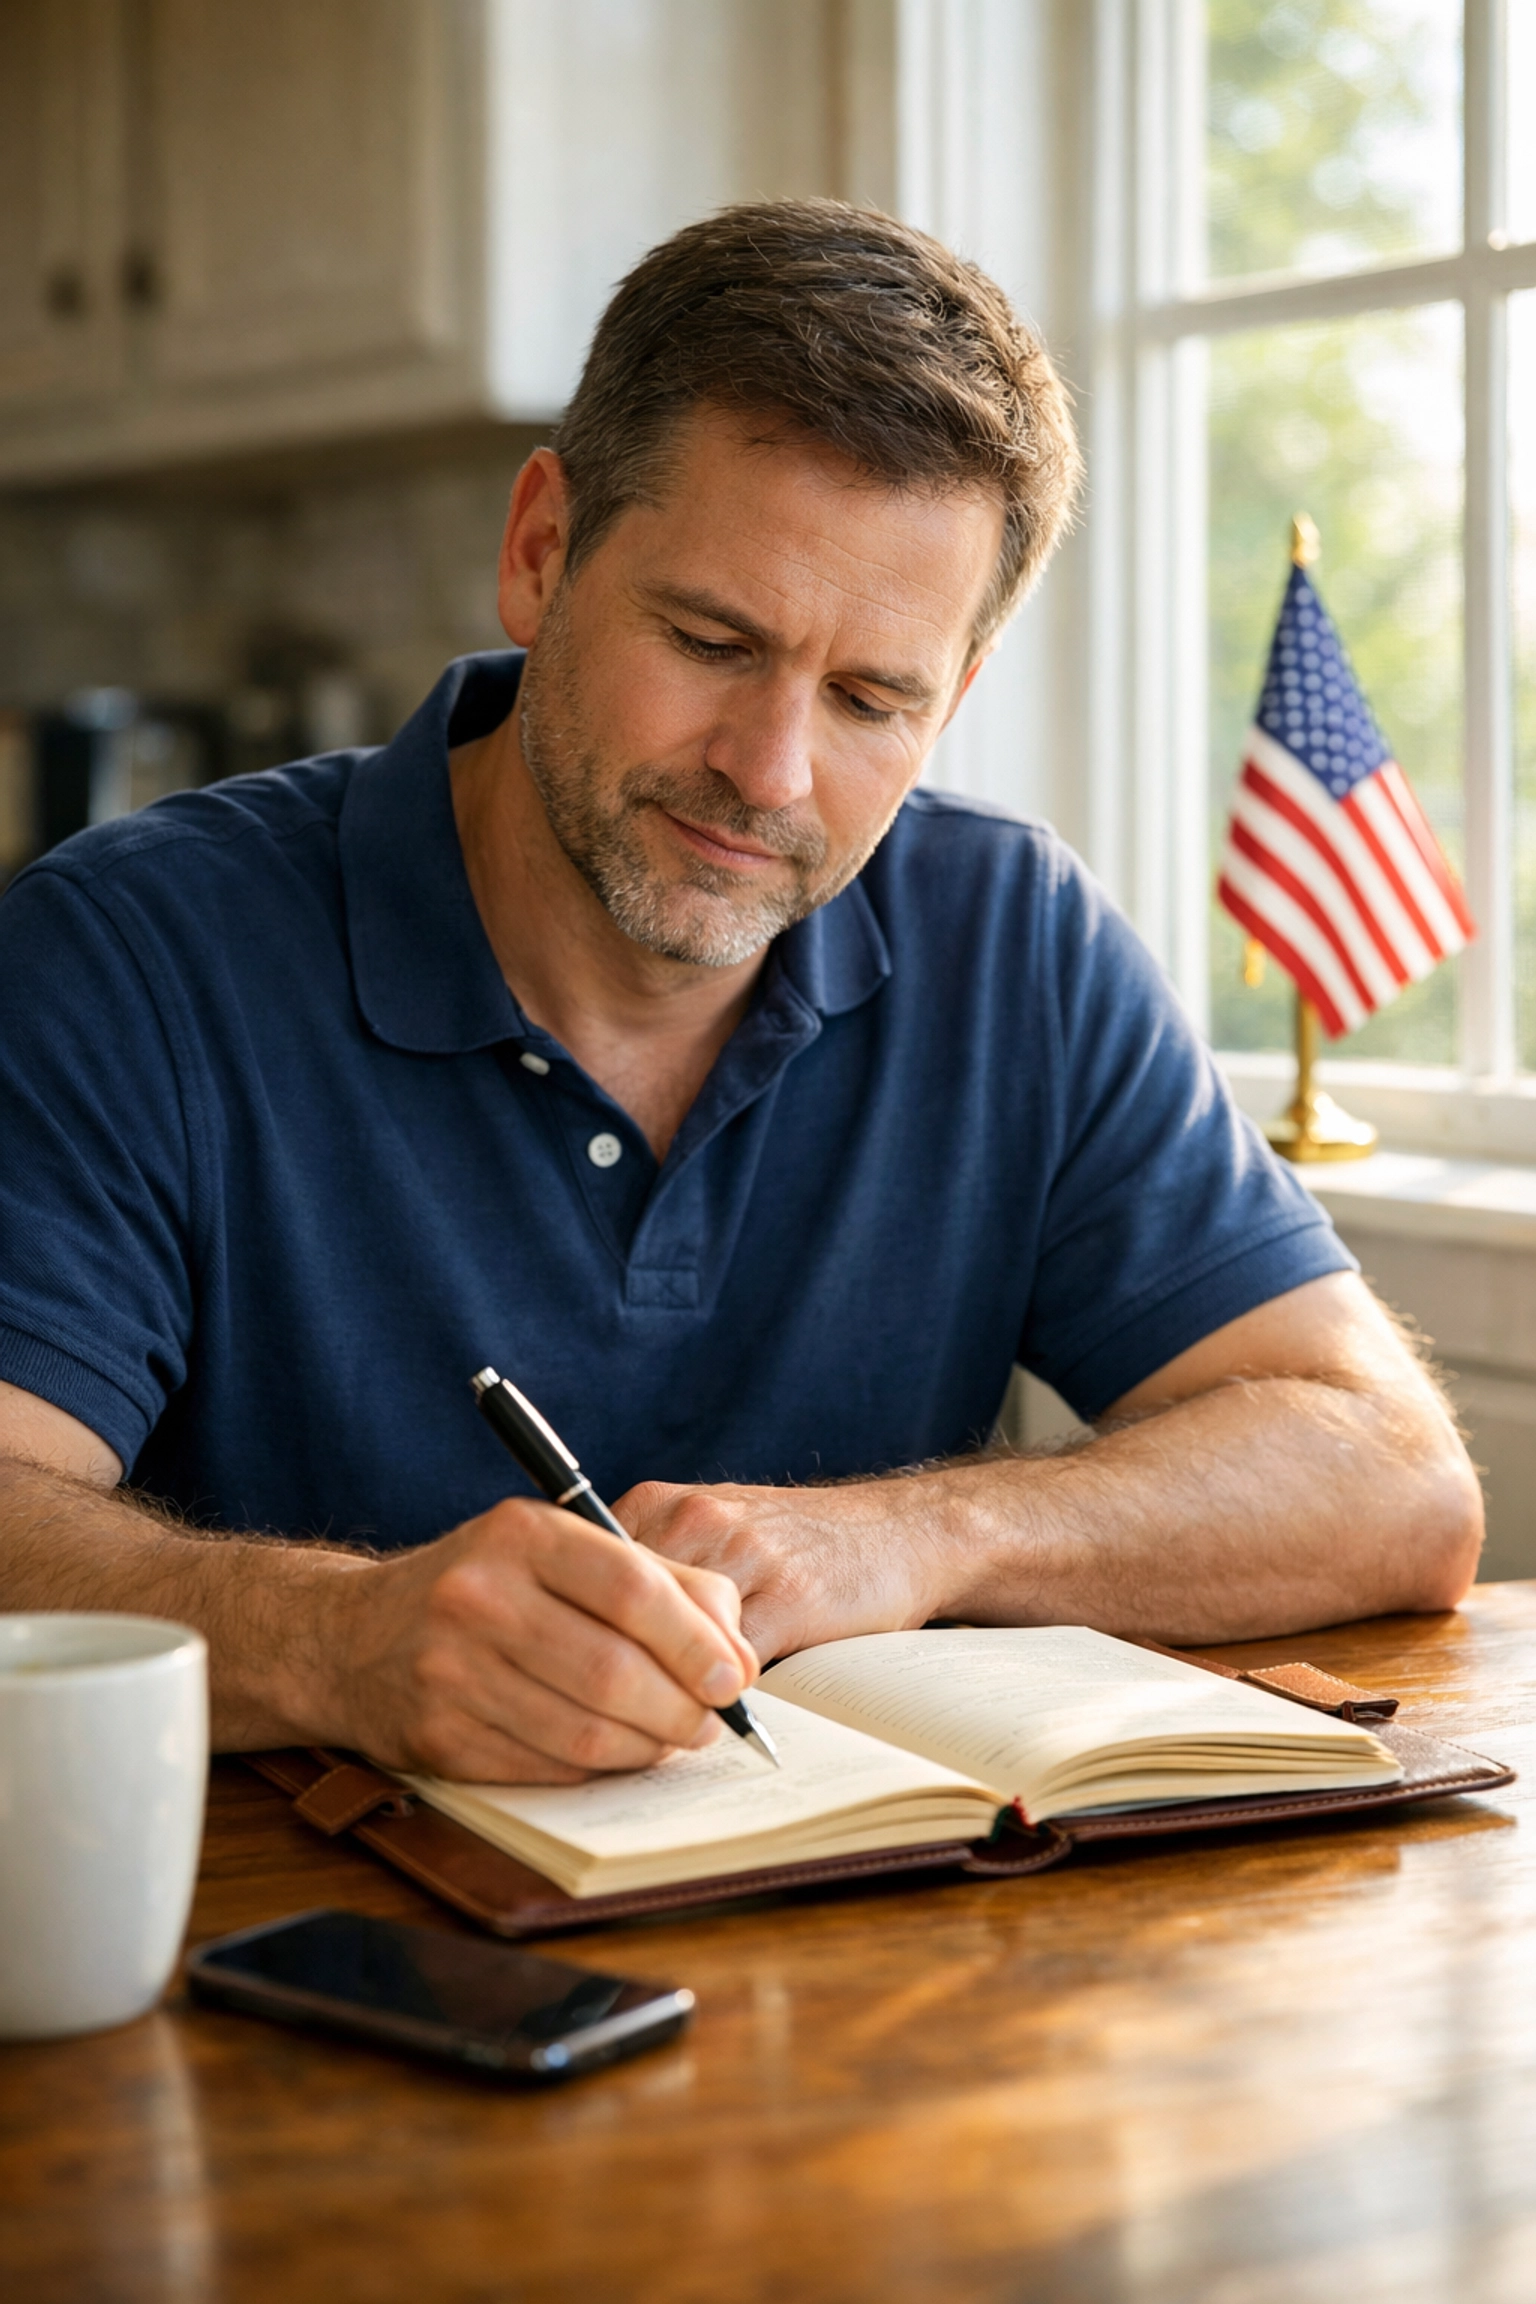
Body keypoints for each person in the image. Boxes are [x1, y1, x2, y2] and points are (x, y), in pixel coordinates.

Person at [0, 201, 1480, 1786]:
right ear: (542, 551)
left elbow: (1393, 1479)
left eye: (871, 699)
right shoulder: (127, 950)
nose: (770, 773)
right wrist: (334, 1638)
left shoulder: (1014, 937)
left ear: (953, 698)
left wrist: (924, 1536)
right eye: (712, 640)